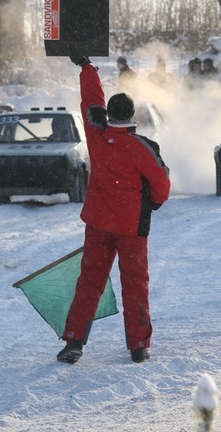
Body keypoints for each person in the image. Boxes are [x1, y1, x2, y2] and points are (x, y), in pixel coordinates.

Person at [57, 47, 171, 365]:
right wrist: (156, 202)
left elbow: (89, 101)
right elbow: (161, 183)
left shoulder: (96, 136)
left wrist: (86, 66)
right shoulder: (139, 147)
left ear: (108, 114)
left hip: (97, 224)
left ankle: (74, 341)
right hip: (132, 228)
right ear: (132, 115)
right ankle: (138, 345)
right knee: (135, 283)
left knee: (89, 282)